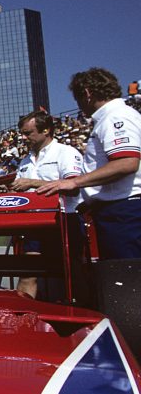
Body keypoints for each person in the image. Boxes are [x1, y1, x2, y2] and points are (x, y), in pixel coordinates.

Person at [39, 68, 141, 259]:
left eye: (77, 99)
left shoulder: (116, 116)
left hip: (124, 210)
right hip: (118, 209)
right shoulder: (113, 117)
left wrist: (75, 182)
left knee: (126, 278)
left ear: (86, 93)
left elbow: (127, 162)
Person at [10, 110, 84, 298]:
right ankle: (24, 318)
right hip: (34, 223)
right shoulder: (25, 161)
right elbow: (21, 190)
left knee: (70, 275)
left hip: (64, 220)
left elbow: (73, 187)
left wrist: (32, 183)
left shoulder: (66, 152)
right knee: (28, 275)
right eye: (23, 133)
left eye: (28, 133)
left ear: (46, 130)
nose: (24, 138)